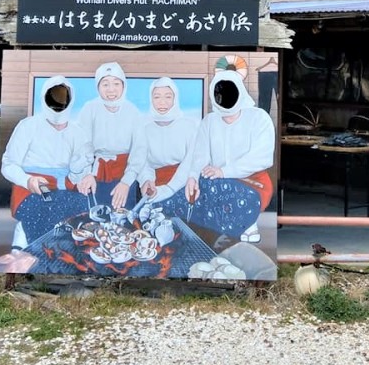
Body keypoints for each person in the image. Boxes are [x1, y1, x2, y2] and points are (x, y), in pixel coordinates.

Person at [151, 70, 275, 244]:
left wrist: (224, 171)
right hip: (214, 181)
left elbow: (262, 157)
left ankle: (246, 224)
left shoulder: (259, 118)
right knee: (188, 193)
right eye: (219, 93)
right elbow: (199, 155)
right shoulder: (209, 121)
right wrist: (193, 177)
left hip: (252, 184)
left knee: (235, 197)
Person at [0, 75, 92, 266]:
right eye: (54, 97)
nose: (59, 102)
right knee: (42, 208)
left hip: (65, 186)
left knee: (83, 210)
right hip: (31, 188)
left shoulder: (78, 132)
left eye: (63, 97)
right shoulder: (28, 126)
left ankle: (71, 260)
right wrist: (28, 180)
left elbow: (81, 167)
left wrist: (86, 176)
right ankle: (30, 254)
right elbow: (8, 164)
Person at [110, 77, 198, 210]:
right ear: (151, 100)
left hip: (183, 186)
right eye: (157, 97)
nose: (162, 102)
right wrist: (146, 181)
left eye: (168, 97)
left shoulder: (190, 127)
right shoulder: (144, 129)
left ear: (175, 99)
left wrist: (170, 188)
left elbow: (190, 162)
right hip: (155, 190)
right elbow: (142, 161)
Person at [75, 61, 142, 209]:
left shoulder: (133, 112)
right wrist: (87, 174)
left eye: (116, 84)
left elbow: (139, 152)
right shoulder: (89, 109)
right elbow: (82, 146)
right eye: (105, 84)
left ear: (123, 85)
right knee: (93, 218)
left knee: (124, 219)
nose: (111, 89)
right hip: (95, 173)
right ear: (98, 87)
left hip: (125, 175)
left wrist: (126, 182)